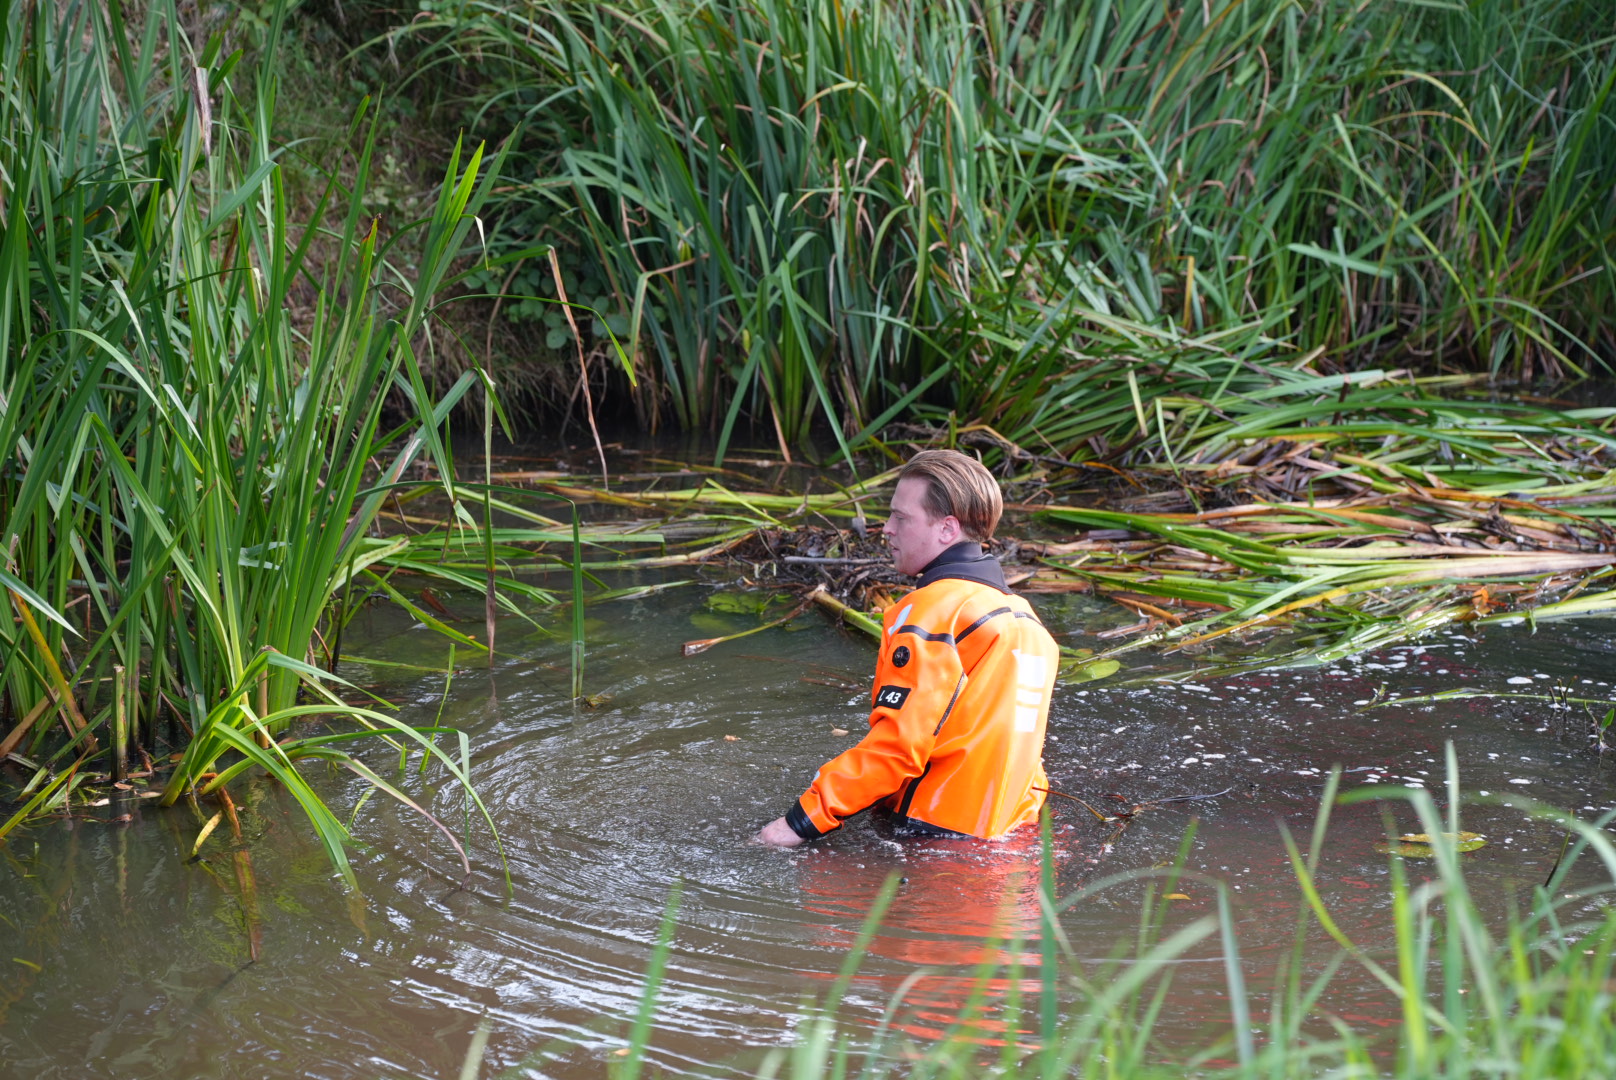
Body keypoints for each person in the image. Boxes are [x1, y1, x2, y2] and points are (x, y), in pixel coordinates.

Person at [755, 449, 1061, 847]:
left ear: (947, 529)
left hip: (927, 836)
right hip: (1010, 840)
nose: (887, 529)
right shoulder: (1027, 621)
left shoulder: (931, 613)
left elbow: (898, 749)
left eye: (901, 517)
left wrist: (795, 824)